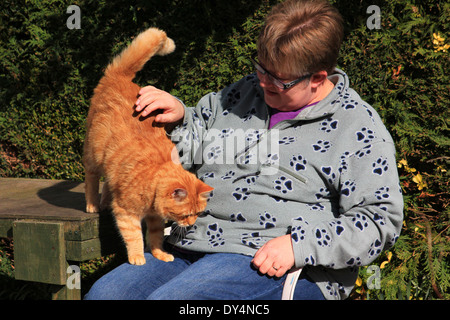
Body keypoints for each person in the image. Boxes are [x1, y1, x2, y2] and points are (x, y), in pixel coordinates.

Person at [85, 0, 403, 300]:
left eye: (277, 80)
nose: (261, 84)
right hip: (193, 241)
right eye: (260, 69)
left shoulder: (357, 128)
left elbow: (380, 220)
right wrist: (181, 115)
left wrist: (299, 246)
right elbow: (199, 130)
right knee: (105, 295)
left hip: (280, 262)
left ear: (318, 78)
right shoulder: (245, 92)